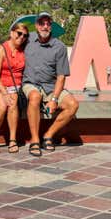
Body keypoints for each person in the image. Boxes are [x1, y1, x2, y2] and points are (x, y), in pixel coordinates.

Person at [22, 12, 79, 156]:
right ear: (36, 26)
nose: (45, 26)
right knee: (34, 97)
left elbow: (61, 76)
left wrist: (54, 99)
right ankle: (34, 140)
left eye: (48, 23)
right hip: (31, 83)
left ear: (51, 26)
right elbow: (11, 44)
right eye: (42, 23)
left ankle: (48, 135)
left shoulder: (59, 47)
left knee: (73, 105)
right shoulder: (27, 39)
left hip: (51, 86)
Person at [0, 22, 28, 153]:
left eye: (25, 35)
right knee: (3, 104)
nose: (21, 37)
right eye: (19, 33)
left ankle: (13, 139)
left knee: (13, 104)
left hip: (14, 86)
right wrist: (4, 93)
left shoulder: (24, 51)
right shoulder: (1, 50)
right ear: (11, 33)